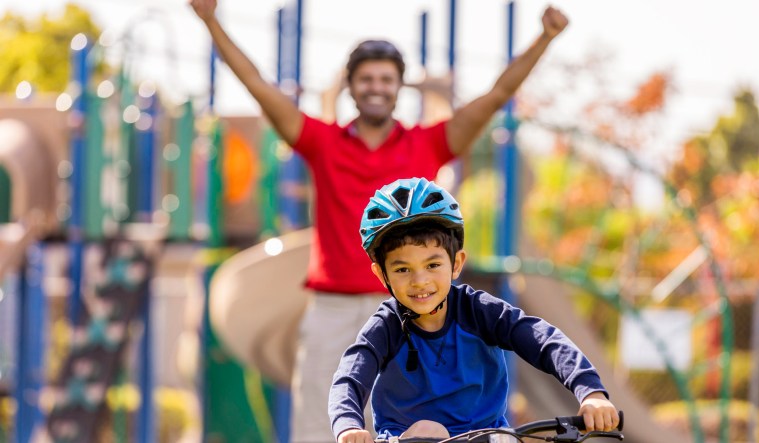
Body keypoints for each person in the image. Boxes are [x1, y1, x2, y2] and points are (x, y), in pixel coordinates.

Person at [188, 1, 569, 441]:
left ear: (398, 87)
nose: (376, 87)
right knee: (319, 423)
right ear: (351, 85)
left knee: (406, 426)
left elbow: (496, 96)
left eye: (386, 79)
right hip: (332, 309)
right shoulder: (322, 142)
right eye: (366, 78)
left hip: (407, 309)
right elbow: (257, 85)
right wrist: (212, 22)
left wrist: (544, 38)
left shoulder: (428, 144)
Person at [329, 177, 619, 443]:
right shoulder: (386, 326)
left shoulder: (479, 311)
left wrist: (590, 391)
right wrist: (348, 425)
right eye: (403, 269)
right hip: (411, 438)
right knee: (430, 431)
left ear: (456, 264)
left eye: (433, 265)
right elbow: (350, 378)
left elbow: (542, 340)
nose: (420, 281)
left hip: (488, 436)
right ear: (382, 275)